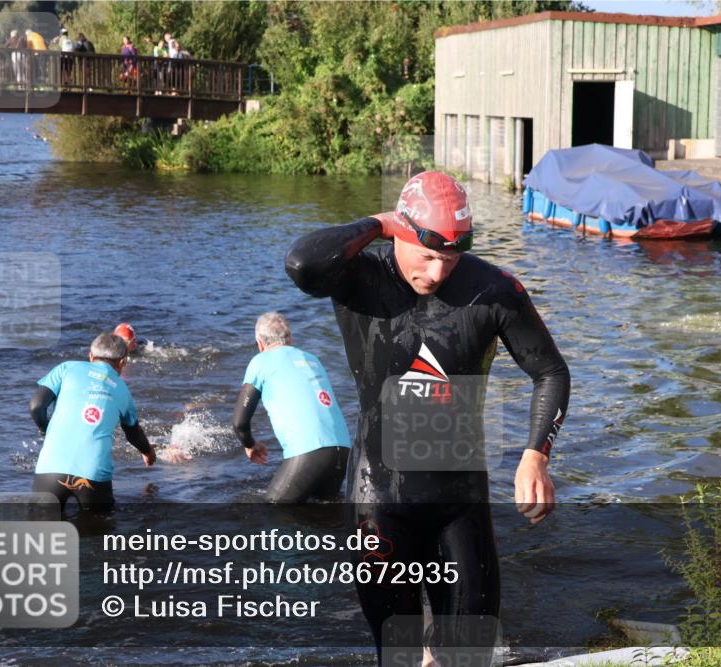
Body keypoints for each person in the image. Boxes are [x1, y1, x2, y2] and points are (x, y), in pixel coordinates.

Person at [285, 171, 570, 664]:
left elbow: (550, 371)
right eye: (427, 255)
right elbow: (302, 263)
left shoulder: (493, 290)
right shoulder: (360, 277)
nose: (437, 273)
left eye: (450, 258)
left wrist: (535, 455)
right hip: (380, 498)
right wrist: (379, 222)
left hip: (460, 500)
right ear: (401, 231)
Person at [232, 312, 351, 503]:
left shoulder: (260, 362)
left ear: (260, 343)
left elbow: (239, 422)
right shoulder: (312, 358)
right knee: (326, 516)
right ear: (291, 338)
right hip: (343, 450)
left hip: (309, 451)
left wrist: (250, 444)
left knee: (274, 513)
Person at [29, 333, 156, 512]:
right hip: (94, 474)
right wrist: (148, 452)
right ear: (122, 362)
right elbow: (133, 432)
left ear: (90, 356)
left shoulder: (66, 368)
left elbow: (36, 407)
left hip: (49, 470)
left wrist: (45, 430)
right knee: (97, 534)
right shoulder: (123, 391)